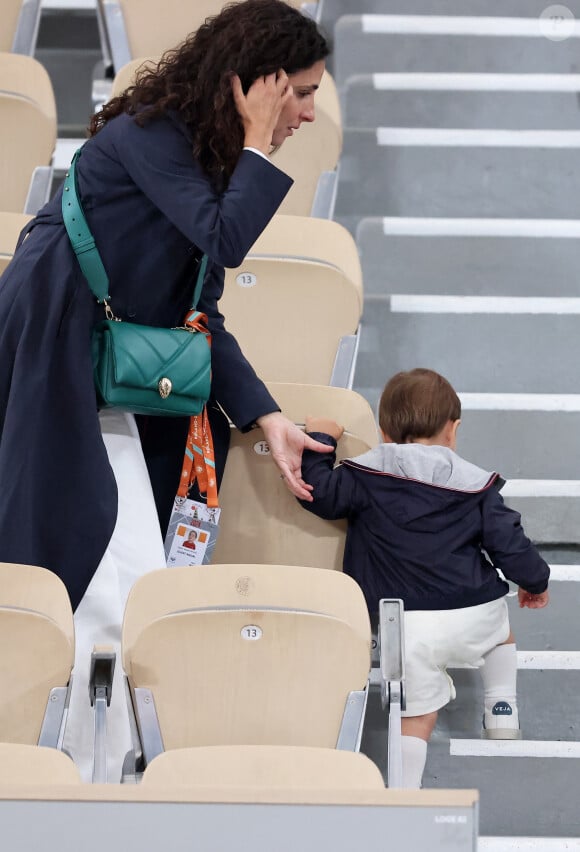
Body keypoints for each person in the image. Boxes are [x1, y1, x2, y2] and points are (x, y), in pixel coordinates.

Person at [0, 0, 331, 780]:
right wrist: (256, 143)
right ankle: (72, 773)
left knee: (123, 565)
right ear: (257, 83)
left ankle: (102, 764)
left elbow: (201, 309)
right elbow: (226, 239)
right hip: (53, 346)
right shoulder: (151, 136)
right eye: (302, 91)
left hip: (114, 368)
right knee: (83, 557)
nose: (311, 113)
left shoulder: (204, 156)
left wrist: (267, 415)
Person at [298, 368, 550, 788]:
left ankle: (404, 789)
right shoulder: (476, 484)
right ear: (454, 430)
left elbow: (318, 492)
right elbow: (508, 543)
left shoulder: (366, 476)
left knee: (416, 712)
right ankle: (501, 709)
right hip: (473, 610)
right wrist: (535, 581)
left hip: (404, 623)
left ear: (382, 431)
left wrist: (322, 439)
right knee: (501, 633)